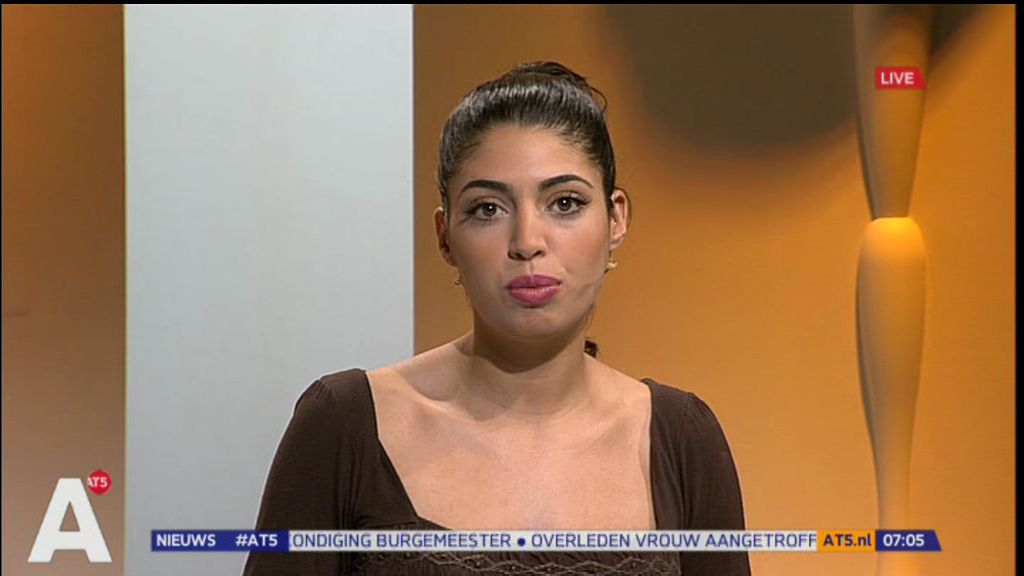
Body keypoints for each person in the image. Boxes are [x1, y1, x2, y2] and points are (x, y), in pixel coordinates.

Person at [244, 61, 750, 575]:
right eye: (488, 209)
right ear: (445, 236)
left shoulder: (682, 438)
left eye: (565, 202)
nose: (527, 242)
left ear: (616, 218)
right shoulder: (344, 423)